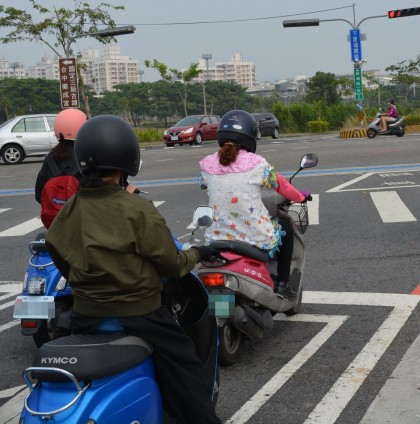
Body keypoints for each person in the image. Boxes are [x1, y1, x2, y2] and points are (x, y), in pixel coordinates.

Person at [45, 115, 223, 424]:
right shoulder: (136, 208)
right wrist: (198, 253)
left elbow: (57, 249)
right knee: (187, 371)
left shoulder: (70, 209)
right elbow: (173, 264)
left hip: (86, 315)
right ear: (127, 160)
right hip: (142, 314)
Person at [199, 110, 310, 299]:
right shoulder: (257, 164)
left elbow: (203, 184)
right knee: (285, 228)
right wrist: (300, 196)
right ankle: (282, 283)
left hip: (217, 235)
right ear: (250, 136)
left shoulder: (207, 164)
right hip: (252, 234)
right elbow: (281, 186)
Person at [34, 108, 87, 204]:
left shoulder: (51, 157)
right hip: (84, 213)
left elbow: (39, 195)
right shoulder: (89, 154)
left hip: (58, 216)